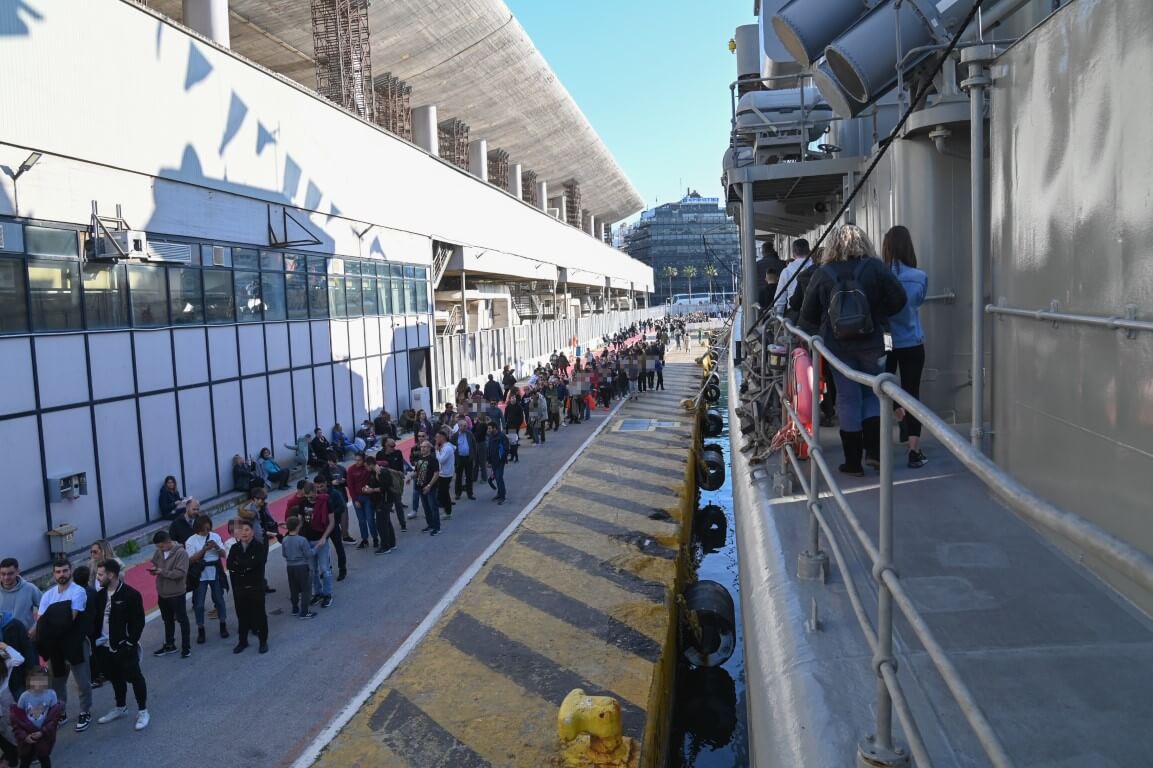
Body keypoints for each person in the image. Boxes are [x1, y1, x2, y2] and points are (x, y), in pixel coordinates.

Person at [799, 225, 906, 475]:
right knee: (875, 394)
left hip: (837, 348)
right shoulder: (876, 267)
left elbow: (807, 316)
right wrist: (878, 315)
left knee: (847, 399)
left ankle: (853, 462)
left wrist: (829, 325)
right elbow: (899, 299)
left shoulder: (823, 273)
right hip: (877, 344)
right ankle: (876, 454)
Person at [882, 225, 929, 469]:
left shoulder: (880, 274)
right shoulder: (919, 276)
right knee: (913, 392)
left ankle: (899, 415)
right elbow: (918, 302)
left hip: (888, 340)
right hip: (912, 339)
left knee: (884, 387)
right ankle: (914, 450)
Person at [30, 559, 91, 732]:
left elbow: (69, 619)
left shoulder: (78, 591)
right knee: (56, 684)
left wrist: (49, 621)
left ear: (70, 571)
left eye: (65, 571)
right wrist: (45, 625)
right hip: (55, 647)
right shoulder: (48, 595)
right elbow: (41, 622)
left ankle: (85, 711)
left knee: (82, 681)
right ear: (53, 574)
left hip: (75, 644)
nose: (61, 575)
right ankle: (60, 712)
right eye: (58, 571)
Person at [91, 560, 149, 731]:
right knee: (115, 678)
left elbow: (138, 622)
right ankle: (120, 707)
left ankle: (143, 711)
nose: (97, 578)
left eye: (100, 574)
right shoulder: (99, 595)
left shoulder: (131, 595)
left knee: (135, 677)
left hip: (124, 647)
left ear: (111, 575)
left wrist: (129, 643)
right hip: (104, 648)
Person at [285, 482, 335, 607]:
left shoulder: (326, 501)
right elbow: (301, 521)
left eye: (310, 496)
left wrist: (324, 537)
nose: (309, 498)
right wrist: (295, 534)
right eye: (306, 496)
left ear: (315, 491)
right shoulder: (303, 503)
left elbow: (332, 522)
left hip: (321, 539)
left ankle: (327, 593)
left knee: (325, 569)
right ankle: (318, 593)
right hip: (307, 540)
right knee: (312, 570)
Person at [184, 515, 230, 644]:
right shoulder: (191, 541)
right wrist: (203, 550)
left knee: (219, 600)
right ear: (197, 528)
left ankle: (223, 624)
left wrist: (216, 546)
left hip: (215, 571)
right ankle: (201, 628)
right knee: (199, 604)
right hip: (200, 574)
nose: (206, 532)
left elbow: (223, 554)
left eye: (208, 529)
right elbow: (190, 560)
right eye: (203, 529)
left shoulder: (215, 537)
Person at [227, 518, 269, 654]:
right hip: (240, 588)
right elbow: (230, 565)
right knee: (242, 616)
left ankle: (263, 642)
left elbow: (255, 565)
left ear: (252, 532)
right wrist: (245, 565)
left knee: (260, 615)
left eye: (247, 530)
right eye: (241, 530)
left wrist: (241, 565)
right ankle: (242, 641)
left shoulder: (259, 547)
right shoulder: (234, 548)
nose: (243, 533)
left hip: (256, 587)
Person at [148, 531, 190, 659]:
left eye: (161, 546)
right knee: (167, 620)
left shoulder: (181, 553)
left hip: (176, 593)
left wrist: (162, 571)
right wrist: (155, 570)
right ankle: (170, 644)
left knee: (182, 620)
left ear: (168, 542)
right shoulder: (159, 552)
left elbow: (180, 573)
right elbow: (154, 562)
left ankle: (186, 647)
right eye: (158, 547)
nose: (159, 549)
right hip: (163, 593)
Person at [10, 668, 63, 768]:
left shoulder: (51, 694)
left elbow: (53, 717)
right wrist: (25, 736)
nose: (38, 683)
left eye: (41, 680)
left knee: (44, 758)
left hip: (43, 734)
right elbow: (17, 719)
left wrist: (42, 732)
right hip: (27, 734)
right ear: (29, 680)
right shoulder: (24, 697)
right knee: (25, 760)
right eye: (35, 680)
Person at [280, 517, 317, 619]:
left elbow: (284, 554)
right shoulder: (302, 540)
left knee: (293, 588)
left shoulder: (285, 539)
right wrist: (317, 547)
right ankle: (304, 611)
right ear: (298, 526)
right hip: (301, 566)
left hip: (290, 566)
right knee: (306, 589)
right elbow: (309, 554)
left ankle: (295, 608)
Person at [0, 636, 26, 765]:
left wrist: (6, 647)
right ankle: (12, 755)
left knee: (12, 729)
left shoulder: (4, 662)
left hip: (5, 703)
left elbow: (19, 659)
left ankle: (25, 752)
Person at [346, 452, 378, 550]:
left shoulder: (368, 468)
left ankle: (375, 538)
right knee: (361, 521)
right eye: (356, 460)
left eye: (359, 460)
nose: (357, 462)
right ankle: (364, 539)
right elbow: (350, 487)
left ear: (364, 460)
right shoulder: (351, 470)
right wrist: (355, 500)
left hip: (368, 498)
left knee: (370, 519)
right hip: (358, 498)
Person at [0, 560, 42, 632]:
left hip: (26, 637)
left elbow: (46, 608)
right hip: (2, 638)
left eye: (10, 574)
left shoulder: (30, 588)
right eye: (3, 574)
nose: (6, 577)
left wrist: (36, 627)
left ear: (18, 571)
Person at [774, 238, 811, 315]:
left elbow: (780, 299)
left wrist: (778, 317)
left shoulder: (786, 271)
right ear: (809, 251)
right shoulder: (818, 268)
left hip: (794, 314)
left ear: (793, 253)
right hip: (816, 315)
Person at [412, 441, 441, 536]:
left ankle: (437, 528)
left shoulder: (433, 459)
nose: (422, 449)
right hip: (420, 486)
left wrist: (429, 486)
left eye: (425, 447)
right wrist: (410, 477)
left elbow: (436, 474)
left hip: (430, 488)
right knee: (426, 508)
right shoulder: (420, 458)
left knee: (433, 507)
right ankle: (430, 525)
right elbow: (417, 471)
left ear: (429, 448)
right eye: (421, 447)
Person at [451, 416, 476, 501]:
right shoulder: (454, 436)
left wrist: (473, 456)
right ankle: (458, 493)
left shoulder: (469, 434)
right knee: (458, 477)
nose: (465, 427)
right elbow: (452, 448)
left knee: (469, 476)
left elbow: (473, 445)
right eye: (463, 426)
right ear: (459, 426)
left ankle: (470, 493)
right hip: (459, 458)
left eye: (465, 425)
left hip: (468, 458)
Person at [433, 431, 456, 520]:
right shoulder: (445, 447)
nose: (436, 439)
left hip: (446, 474)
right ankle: (446, 509)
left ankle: (448, 512)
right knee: (443, 493)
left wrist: (436, 450)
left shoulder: (447, 448)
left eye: (437, 437)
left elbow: (441, 460)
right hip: (443, 473)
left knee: (444, 494)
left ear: (442, 437)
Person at [485, 423, 509, 505]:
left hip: (499, 461)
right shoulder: (491, 437)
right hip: (493, 461)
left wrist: (502, 459)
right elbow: (489, 449)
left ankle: (502, 496)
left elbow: (506, 449)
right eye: (488, 429)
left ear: (495, 428)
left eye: (490, 428)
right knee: (497, 478)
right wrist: (489, 461)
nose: (488, 430)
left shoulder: (501, 436)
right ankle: (499, 494)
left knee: (499, 478)